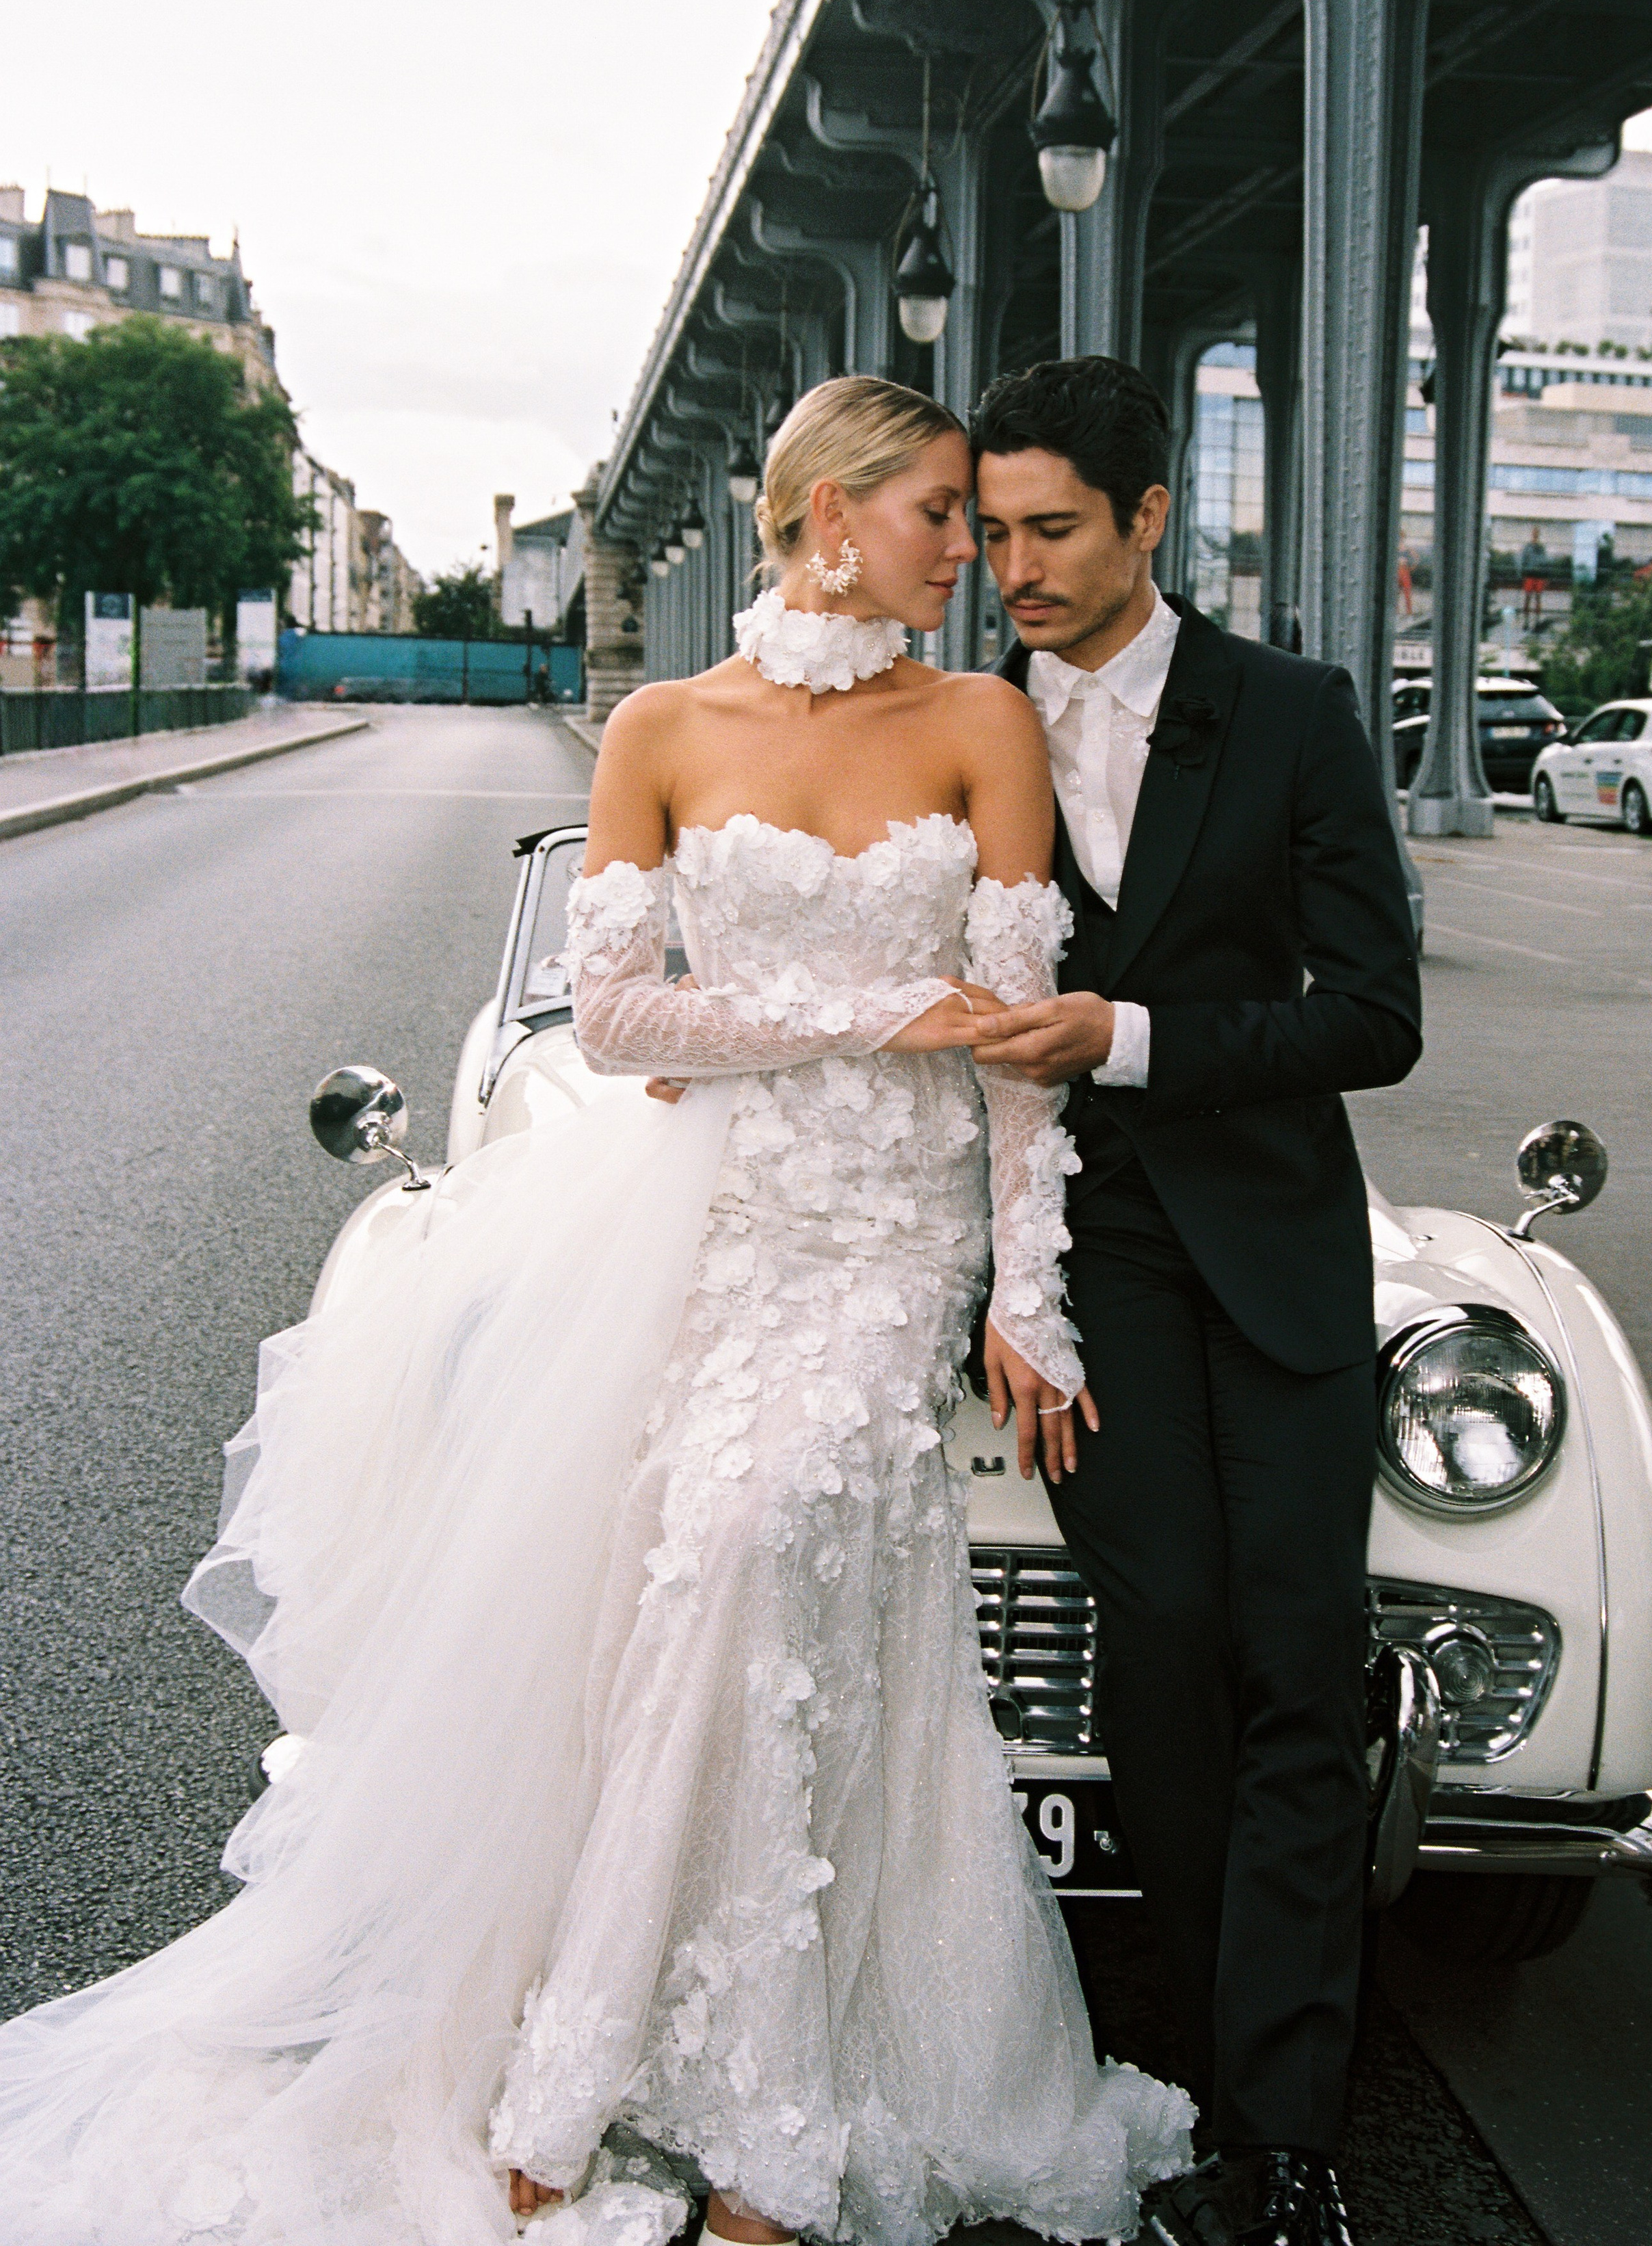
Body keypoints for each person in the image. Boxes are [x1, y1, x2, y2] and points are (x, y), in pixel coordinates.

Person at [0, 374, 1190, 2246]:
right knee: (683, 1580)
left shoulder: (984, 722)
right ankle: (604, 2055)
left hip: (892, 1241)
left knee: (759, 1549)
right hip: (715, 1222)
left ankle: (749, 2103)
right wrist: (874, 1012)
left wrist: (1027, 1293)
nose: (971, 552)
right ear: (830, 517)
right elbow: (623, 1018)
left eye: (982, 522)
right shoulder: (660, 726)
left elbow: (1021, 1053)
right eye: (941, 514)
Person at [968, 357, 1422, 2246]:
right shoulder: (963, 723)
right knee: (1163, 1645)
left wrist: (1132, 1034)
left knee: (1299, 1660)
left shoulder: (1297, 714)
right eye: (992, 532)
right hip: (1086, 1256)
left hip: (1277, 1244)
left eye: (1054, 529)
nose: (1017, 569)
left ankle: (1285, 2145)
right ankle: (1210, 2066)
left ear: (1151, 516)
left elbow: (1376, 1017)